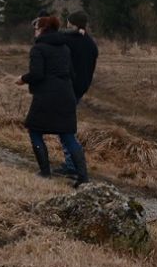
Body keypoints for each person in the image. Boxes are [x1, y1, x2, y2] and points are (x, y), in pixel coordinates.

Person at [19, 15, 90, 186]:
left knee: (35, 131)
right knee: (68, 135)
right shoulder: (65, 48)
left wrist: (22, 79)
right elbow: (72, 74)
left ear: (43, 29)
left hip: (46, 97)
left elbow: (37, 74)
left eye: (36, 28)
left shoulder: (38, 49)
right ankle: (83, 178)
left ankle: (45, 172)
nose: (34, 32)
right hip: (66, 95)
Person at [57, 11, 99, 176]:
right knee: (65, 126)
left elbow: (55, 37)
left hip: (68, 88)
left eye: (68, 22)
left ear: (72, 23)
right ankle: (72, 164)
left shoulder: (71, 41)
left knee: (65, 128)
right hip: (80, 88)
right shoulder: (91, 44)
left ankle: (73, 166)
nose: (66, 24)